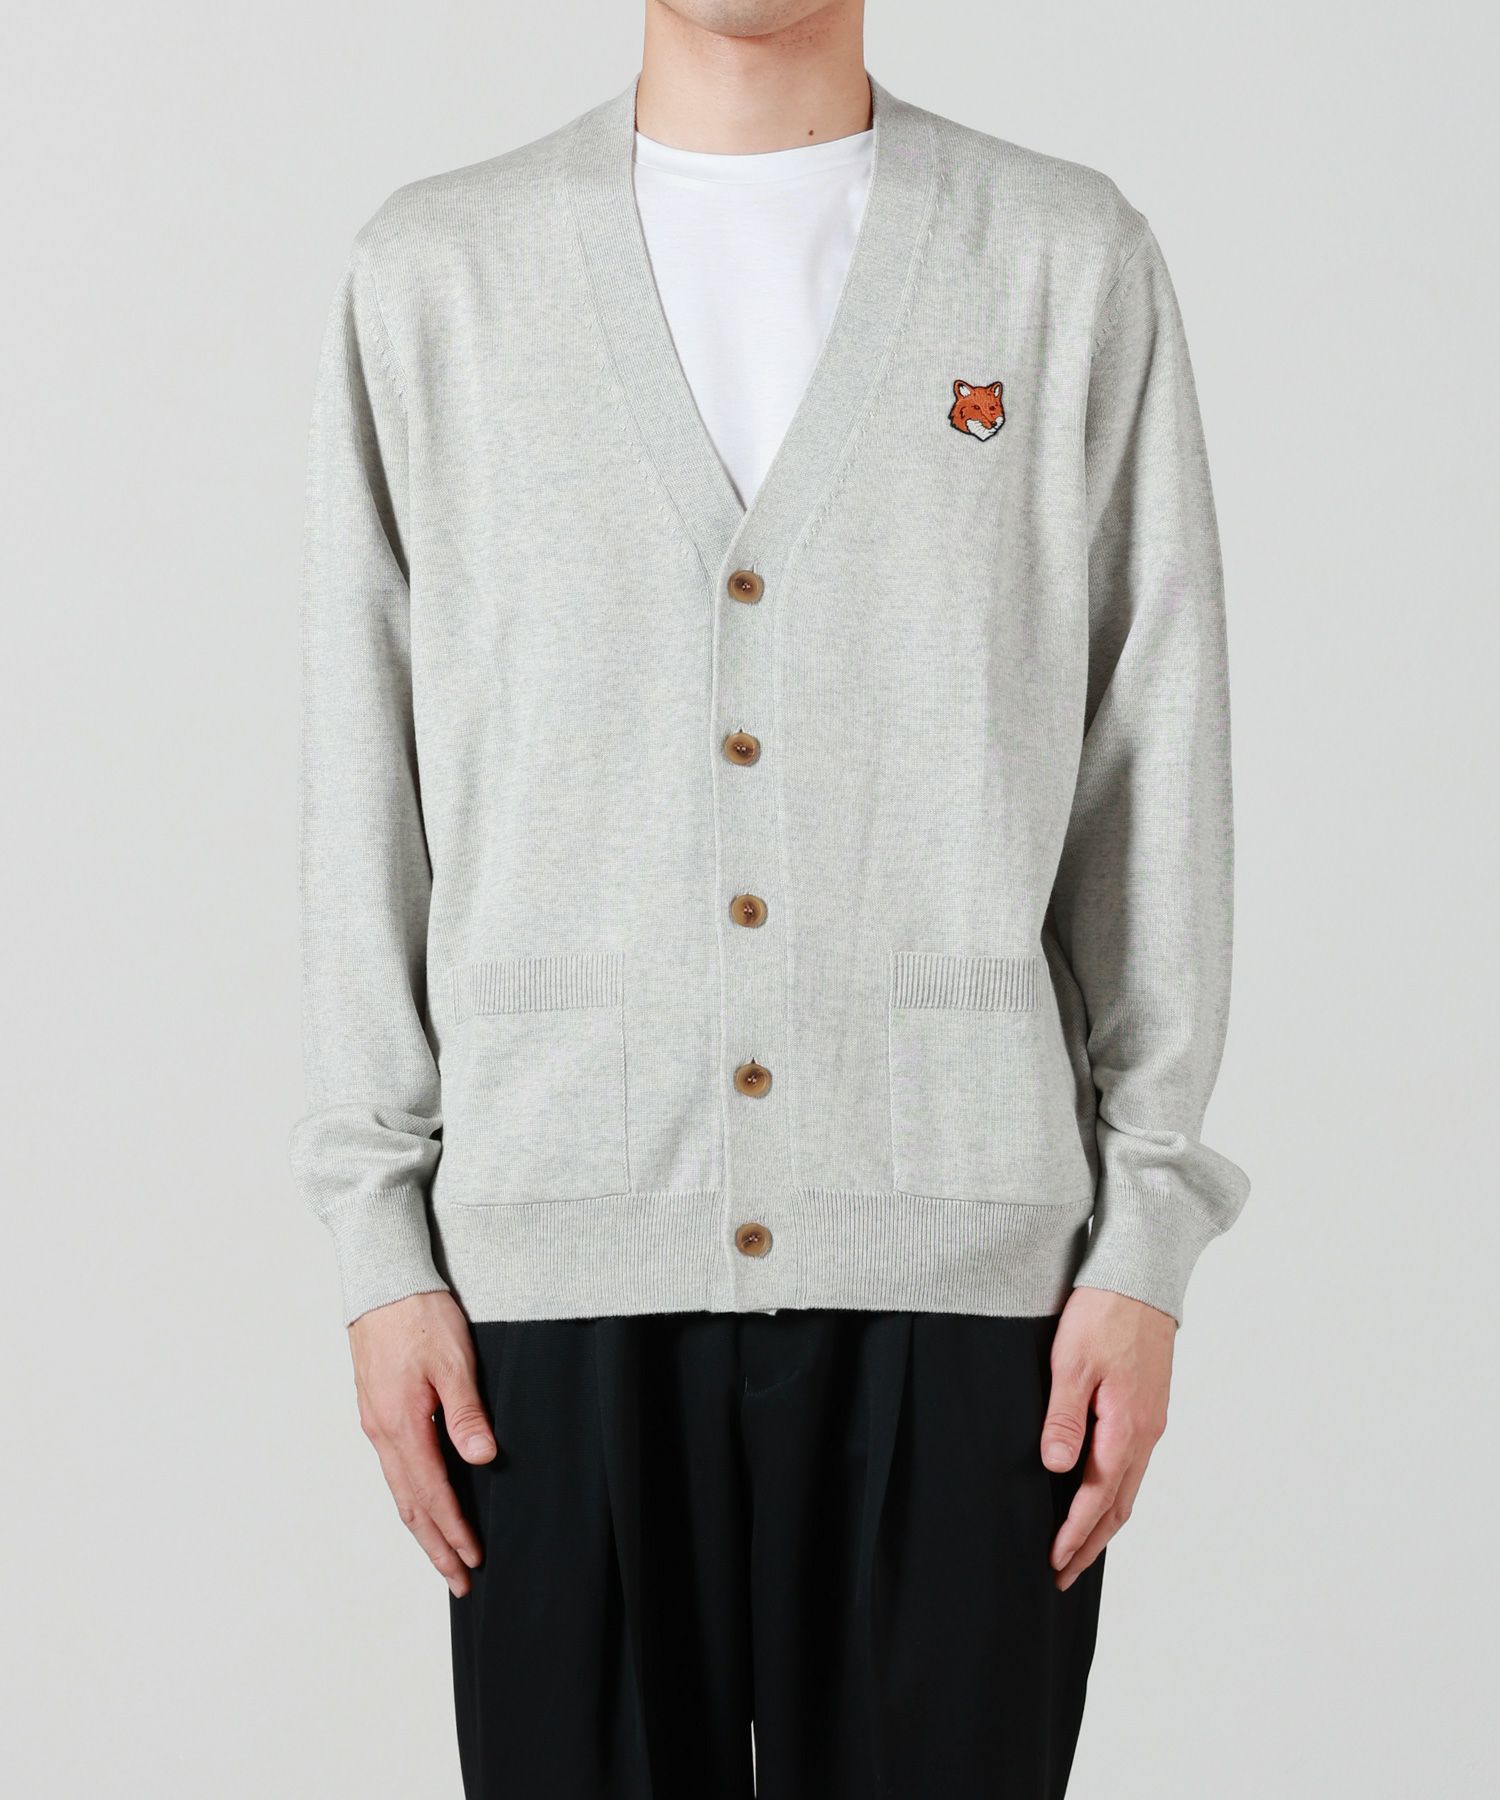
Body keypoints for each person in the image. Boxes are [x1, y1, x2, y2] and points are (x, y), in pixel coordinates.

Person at [292, 2, 1249, 1793]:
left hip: (974, 1280)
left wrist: (1148, 1242)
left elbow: (1155, 761)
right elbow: (364, 780)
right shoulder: (439, 277)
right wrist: (376, 1245)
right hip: (549, 1263)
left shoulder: (1063, 262)